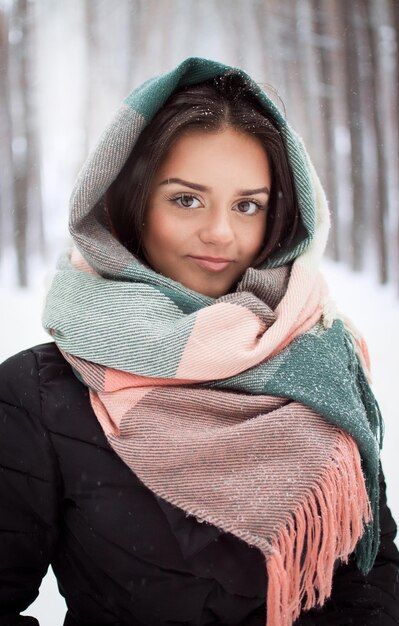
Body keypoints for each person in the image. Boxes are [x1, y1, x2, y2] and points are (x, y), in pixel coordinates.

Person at [0, 57, 398, 626]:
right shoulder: (37, 396)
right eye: (186, 199)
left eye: (247, 205)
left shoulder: (321, 359)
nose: (220, 233)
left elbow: (372, 573)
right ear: (130, 203)